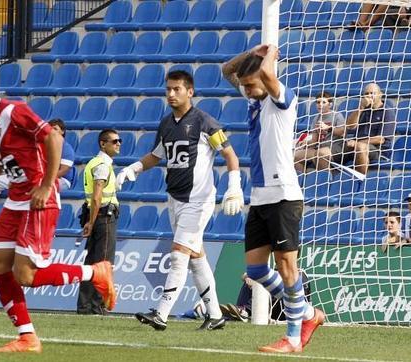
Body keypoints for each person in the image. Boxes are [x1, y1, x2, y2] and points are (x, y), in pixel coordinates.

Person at [0, 59, 114, 353]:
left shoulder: (14, 111)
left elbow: (54, 138)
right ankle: (27, 337)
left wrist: (47, 184)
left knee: (26, 276)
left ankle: (96, 272)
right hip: (15, 199)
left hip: (40, 198)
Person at [117, 70, 244, 331]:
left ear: (190, 91)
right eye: (168, 89)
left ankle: (161, 313)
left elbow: (230, 156)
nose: (171, 94)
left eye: (177, 89)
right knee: (196, 256)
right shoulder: (166, 124)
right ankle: (214, 314)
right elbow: (156, 155)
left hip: (198, 200)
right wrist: (134, 169)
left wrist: (234, 188)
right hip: (175, 198)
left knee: (178, 255)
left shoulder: (205, 122)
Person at [222, 44, 324, 354]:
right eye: (246, 86)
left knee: (286, 269)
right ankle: (308, 313)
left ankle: (293, 338)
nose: (247, 90)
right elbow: (227, 70)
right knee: (254, 271)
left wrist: (270, 55)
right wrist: (250, 53)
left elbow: (266, 73)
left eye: (251, 85)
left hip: (284, 197)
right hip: (261, 198)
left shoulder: (283, 100)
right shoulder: (254, 98)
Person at [0, 118, 76, 207]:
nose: (52, 131)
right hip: (35, 177)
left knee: (28, 188)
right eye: (49, 128)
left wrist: (41, 181)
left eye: (55, 128)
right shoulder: (38, 145)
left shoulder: (66, 148)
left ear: (62, 132)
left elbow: (63, 170)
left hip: (59, 180)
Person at [77, 129, 121, 314]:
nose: (118, 144)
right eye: (114, 141)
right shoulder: (102, 164)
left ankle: (85, 306)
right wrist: (92, 222)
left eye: (120, 141)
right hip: (104, 217)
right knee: (103, 263)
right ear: (103, 144)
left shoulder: (94, 163)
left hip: (96, 215)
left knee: (91, 263)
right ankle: (96, 306)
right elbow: (97, 196)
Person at [343, 83, 395, 175]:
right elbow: (350, 126)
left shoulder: (387, 112)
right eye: (366, 94)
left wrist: (357, 143)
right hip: (355, 145)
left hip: (377, 150)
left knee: (360, 147)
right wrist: (361, 108)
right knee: (324, 152)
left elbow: (380, 139)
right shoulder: (362, 109)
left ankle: (359, 181)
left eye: (372, 93)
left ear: (380, 95)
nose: (369, 96)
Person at [294, 91, 347, 173]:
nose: (320, 104)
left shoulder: (337, 115)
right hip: (319, 148)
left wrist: (328, 128)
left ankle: (327, 178)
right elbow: (314, 140)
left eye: (323, 102)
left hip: (334, 148)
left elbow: (342, 132)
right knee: (296, 156)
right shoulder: (316, 118)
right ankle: (304, 180)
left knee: (320, 154)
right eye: (318, 102)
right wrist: (305, 143)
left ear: (330, 104)